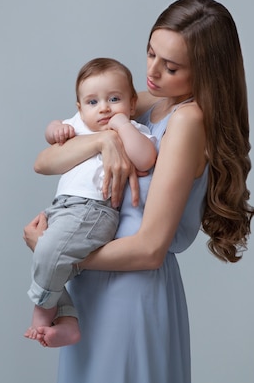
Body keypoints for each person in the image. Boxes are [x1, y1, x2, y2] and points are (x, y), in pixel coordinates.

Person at [23, 0, 254, 382]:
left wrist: (57, 253)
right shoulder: (146, 102)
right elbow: (44, 161)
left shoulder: (187, 121)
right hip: (92, 284)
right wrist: (103, 142)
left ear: (206, 72)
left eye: (171, 66)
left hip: (132, 289)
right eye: (151, 53)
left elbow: (151, 249)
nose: (152, 71)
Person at [24, 57, 157, 347]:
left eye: (114, 99)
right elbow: (50, 137)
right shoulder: (80, 126)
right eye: (93, 102)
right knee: (56, 265)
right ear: (80, 108)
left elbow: (146, 157)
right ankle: (69, 321)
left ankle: (41, 310)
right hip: (62, 207)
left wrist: (122, 125)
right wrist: (55, 130)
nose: (105, 108)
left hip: (94, 210)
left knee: (47, 253)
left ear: (132, 103)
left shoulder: (131, 129)